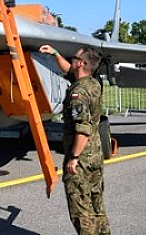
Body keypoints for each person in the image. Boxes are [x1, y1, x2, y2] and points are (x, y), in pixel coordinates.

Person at [39, 44, 111, 235]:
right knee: (96, 204)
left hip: (82, 158)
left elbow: (83, 129)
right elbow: (69, 70)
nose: (71, 60)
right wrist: (55, 53)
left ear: (81, 63)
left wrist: (74, 158)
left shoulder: (78, 94)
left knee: (81, 210)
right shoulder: (93, 83)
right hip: (95, 155)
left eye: (74, 58)